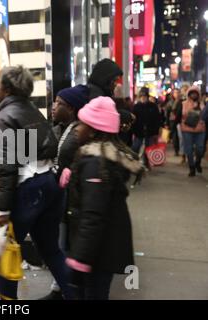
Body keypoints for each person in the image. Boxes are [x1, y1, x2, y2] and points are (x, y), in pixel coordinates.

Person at [0, 66, 70, 300]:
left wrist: (2, 209)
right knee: (50, 249)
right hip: (49, 186)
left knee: (6, 254)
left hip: (26, 190)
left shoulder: (4, 119)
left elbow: (6, 170)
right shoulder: (34, 112)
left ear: (7, 88)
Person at [66, 96, 142, 300]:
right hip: (100, 247)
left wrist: (79, 259)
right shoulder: (100, 159)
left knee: (94, 294)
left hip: (98, 251)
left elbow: (93, 214)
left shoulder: (95, 164)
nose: (76, 128)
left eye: (81, 124)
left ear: (93, 130)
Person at [41, 85, 90, 300]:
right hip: (60, 196)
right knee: (60, 243)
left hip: (72, 198)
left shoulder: (78, 131)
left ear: (71, 108)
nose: (53, 107)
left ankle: (68, 289)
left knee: (66, 244)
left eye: (59, 103)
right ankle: (60, 288)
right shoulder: (60, 128)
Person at [131, 87, 161, 169]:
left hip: (150, 131)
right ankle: (134, 162)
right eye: (142, 96)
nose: (143, 98)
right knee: (135, 147)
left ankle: (146, 163)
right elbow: (133, 119)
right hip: (138, 131)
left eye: (145, 96)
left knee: (148, 148)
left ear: (147, 97)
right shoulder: (136, 107)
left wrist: (156, 131)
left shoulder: (153, 106)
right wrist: (133, 130)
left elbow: (157, 119)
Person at [179, 86, 206, 177]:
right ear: (189, 94)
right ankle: (192, 167)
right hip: (187, 130)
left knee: (200, 148)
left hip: (200, 129)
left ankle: (197, 162)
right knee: (189, 150)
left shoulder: (203, 104)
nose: (194, 95)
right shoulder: (183, 104)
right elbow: (178, 115)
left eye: (196, 93)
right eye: (192, 93)